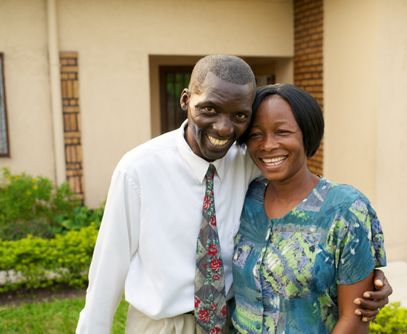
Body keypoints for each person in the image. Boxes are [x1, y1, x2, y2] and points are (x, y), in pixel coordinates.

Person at [76, 55, 390, 334]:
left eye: (239, 116)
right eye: (209, 109)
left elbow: (310, 199)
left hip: (229, 321)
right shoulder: (138, 170)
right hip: (162, 325)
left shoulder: (248, 163)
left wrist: (368, 280)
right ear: (186, 100)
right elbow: (107, 271)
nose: (223, 128)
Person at [232, 84, 387, 333]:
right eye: (255, 134)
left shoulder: (345, 210)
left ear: (307, 134)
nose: (267, 145)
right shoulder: (243, 198)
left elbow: (356, 318)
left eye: (282, 132)